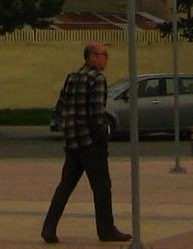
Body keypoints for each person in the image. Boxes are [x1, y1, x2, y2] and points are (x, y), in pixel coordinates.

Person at [41, 42, 130, 244]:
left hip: (73, 142)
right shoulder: (97, 79)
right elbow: (97, 114)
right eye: (103, 54)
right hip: (91, 144)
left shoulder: (72, 77)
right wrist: (101, 137)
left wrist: (68, 131)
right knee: (102, 186)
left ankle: (49, 227)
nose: (107, 58)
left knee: (65, 185)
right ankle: (106, 229)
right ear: (92, 57)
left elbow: (60, 106)